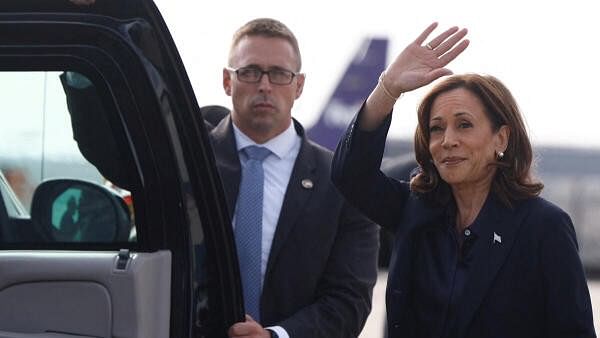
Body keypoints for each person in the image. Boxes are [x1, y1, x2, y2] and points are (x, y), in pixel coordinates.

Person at [331, 23, 596, 338]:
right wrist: (388, 88)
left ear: (501, 138)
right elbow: (351, 175)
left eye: (464, 125)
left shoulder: (544, 227)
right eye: (437, 128)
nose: (448, 140)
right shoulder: (412, 210)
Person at [211, 18, 379, 338]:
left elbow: (350, 301)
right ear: (227, 81)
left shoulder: (342, 184)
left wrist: (276, 336)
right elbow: (111, 151)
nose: (264, 85)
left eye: (279, 74)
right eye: (249, 72)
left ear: (298, 85)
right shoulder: (189, 164)